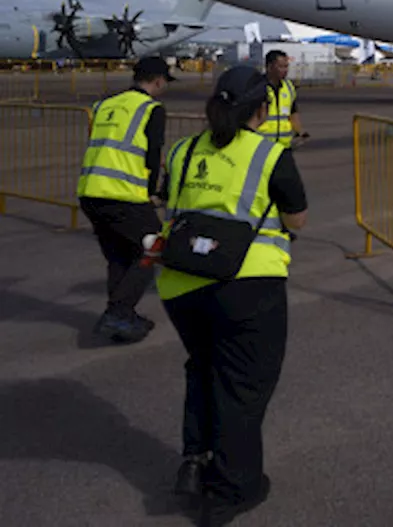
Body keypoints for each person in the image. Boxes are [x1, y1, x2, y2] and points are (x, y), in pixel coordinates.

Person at [158, 65, 308, 526]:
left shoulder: (183, 150)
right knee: (242, 387)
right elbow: (297, 219)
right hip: (246, 286)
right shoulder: (270, 154)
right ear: (262, 110)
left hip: (180, 285)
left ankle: (196, 460)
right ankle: (231, 489)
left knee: (203, 369)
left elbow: (169, 202)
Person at [77, 55, 175, 343]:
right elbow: (152, 155)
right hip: (123, 194)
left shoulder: (104, 105)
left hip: (91, 191)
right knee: (153, 248)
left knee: (120, 256)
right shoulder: (151, 108)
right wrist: (153, 193)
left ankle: (123, 315)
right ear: (158, 80)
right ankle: (118, 313)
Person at [259, 50, 310, 147]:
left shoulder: (289, 87)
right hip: (262, 145)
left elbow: (292, 111)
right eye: (281, 67)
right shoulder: (258, 87)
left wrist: (299, 131)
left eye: (286, 66)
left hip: (284, 145)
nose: (285, 70)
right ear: (269, 67)